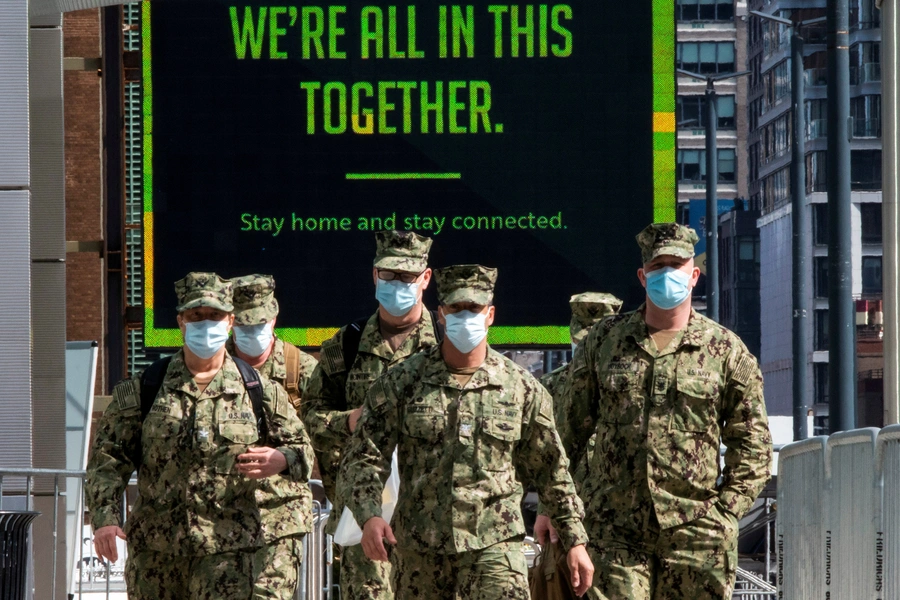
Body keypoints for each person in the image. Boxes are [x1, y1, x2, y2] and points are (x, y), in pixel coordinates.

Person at [338, 264, 594, 599]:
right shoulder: (402, 382)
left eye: (473, 309)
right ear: (441, 314)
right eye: (456, 309)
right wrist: (369, 515)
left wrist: (575, 540)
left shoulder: (521, 388)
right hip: (421, 551)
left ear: (490, 314)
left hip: (495, 548)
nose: (465, 316)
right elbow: (366, 457)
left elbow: (552, 470)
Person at [549, 223, 773, 599]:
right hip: (614, 534)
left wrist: (725, 515)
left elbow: (753, 446)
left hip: (696, 535)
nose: (667, 273)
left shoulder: (725, 351)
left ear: (694, 275)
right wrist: (566, 523)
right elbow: (563, 438)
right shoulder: (605, 341)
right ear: (642, 275)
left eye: (676, 264)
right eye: (658, 266)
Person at [85, 272, 315, 599]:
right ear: (181, 321)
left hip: (230, 555)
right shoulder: (145, 389)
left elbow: (303, 451)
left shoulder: (260, 390)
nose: (205, 324)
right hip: (157, 556)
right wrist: (105, 519)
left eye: (215, 316)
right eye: (196, 316)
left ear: (231, 321)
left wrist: (282, 459)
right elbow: (107, 459)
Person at [300, 230, 439, 600]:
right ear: (375, 276)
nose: (397, 284)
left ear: (425, 278)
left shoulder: (446, 344)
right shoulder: (344, 346)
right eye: (388, 275)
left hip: (433, 518)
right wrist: (346, 421)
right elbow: (309, 419)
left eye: (407, 276)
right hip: (365, 513)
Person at [227, 273, 320, 595]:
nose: (252, 332)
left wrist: (287, 458)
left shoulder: (302, 370)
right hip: (218, 517)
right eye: (244, 325)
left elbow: (325, 440)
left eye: (259, 323)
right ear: (230, 322)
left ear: (274, 318)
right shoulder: (209, 365)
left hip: (279, 518)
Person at [534, 292, 622, 545]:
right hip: (567, 512)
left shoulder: (630, 385)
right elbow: (544, 456)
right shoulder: (550, 385)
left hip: (621, 513)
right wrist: (545, 509)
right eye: (581, 341)